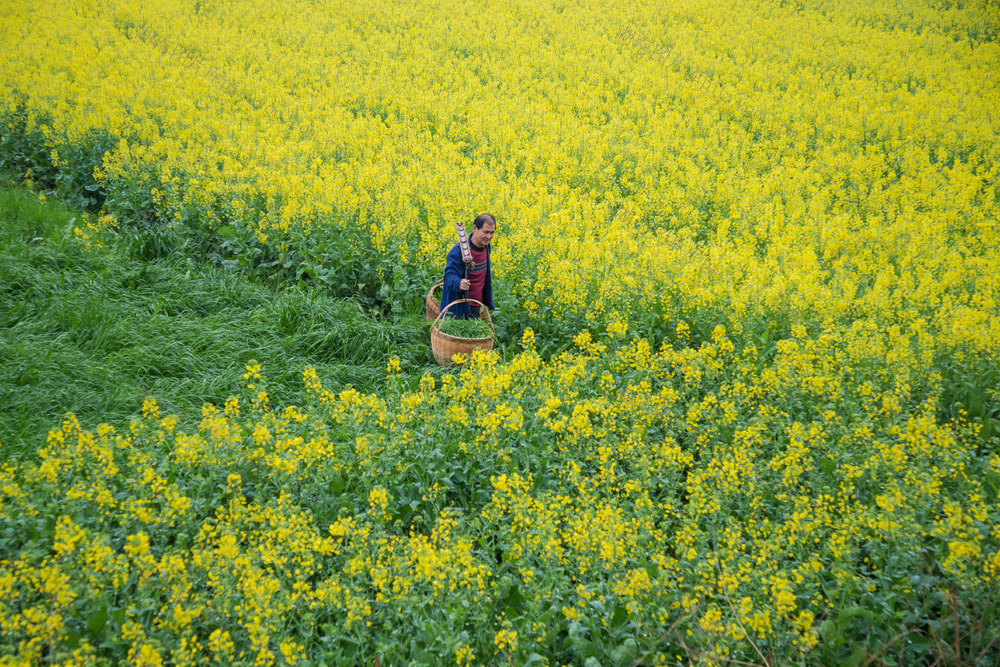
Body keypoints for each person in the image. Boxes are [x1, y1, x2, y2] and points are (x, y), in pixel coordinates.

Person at [440, 213, 495, 319]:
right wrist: (459, 282)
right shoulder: (458, 251)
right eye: (486, 232)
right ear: (475, 228)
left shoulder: (486, 247)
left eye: (492, 233)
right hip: (458, 307)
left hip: (476, 304)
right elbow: (449, 276)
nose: (489, 237)